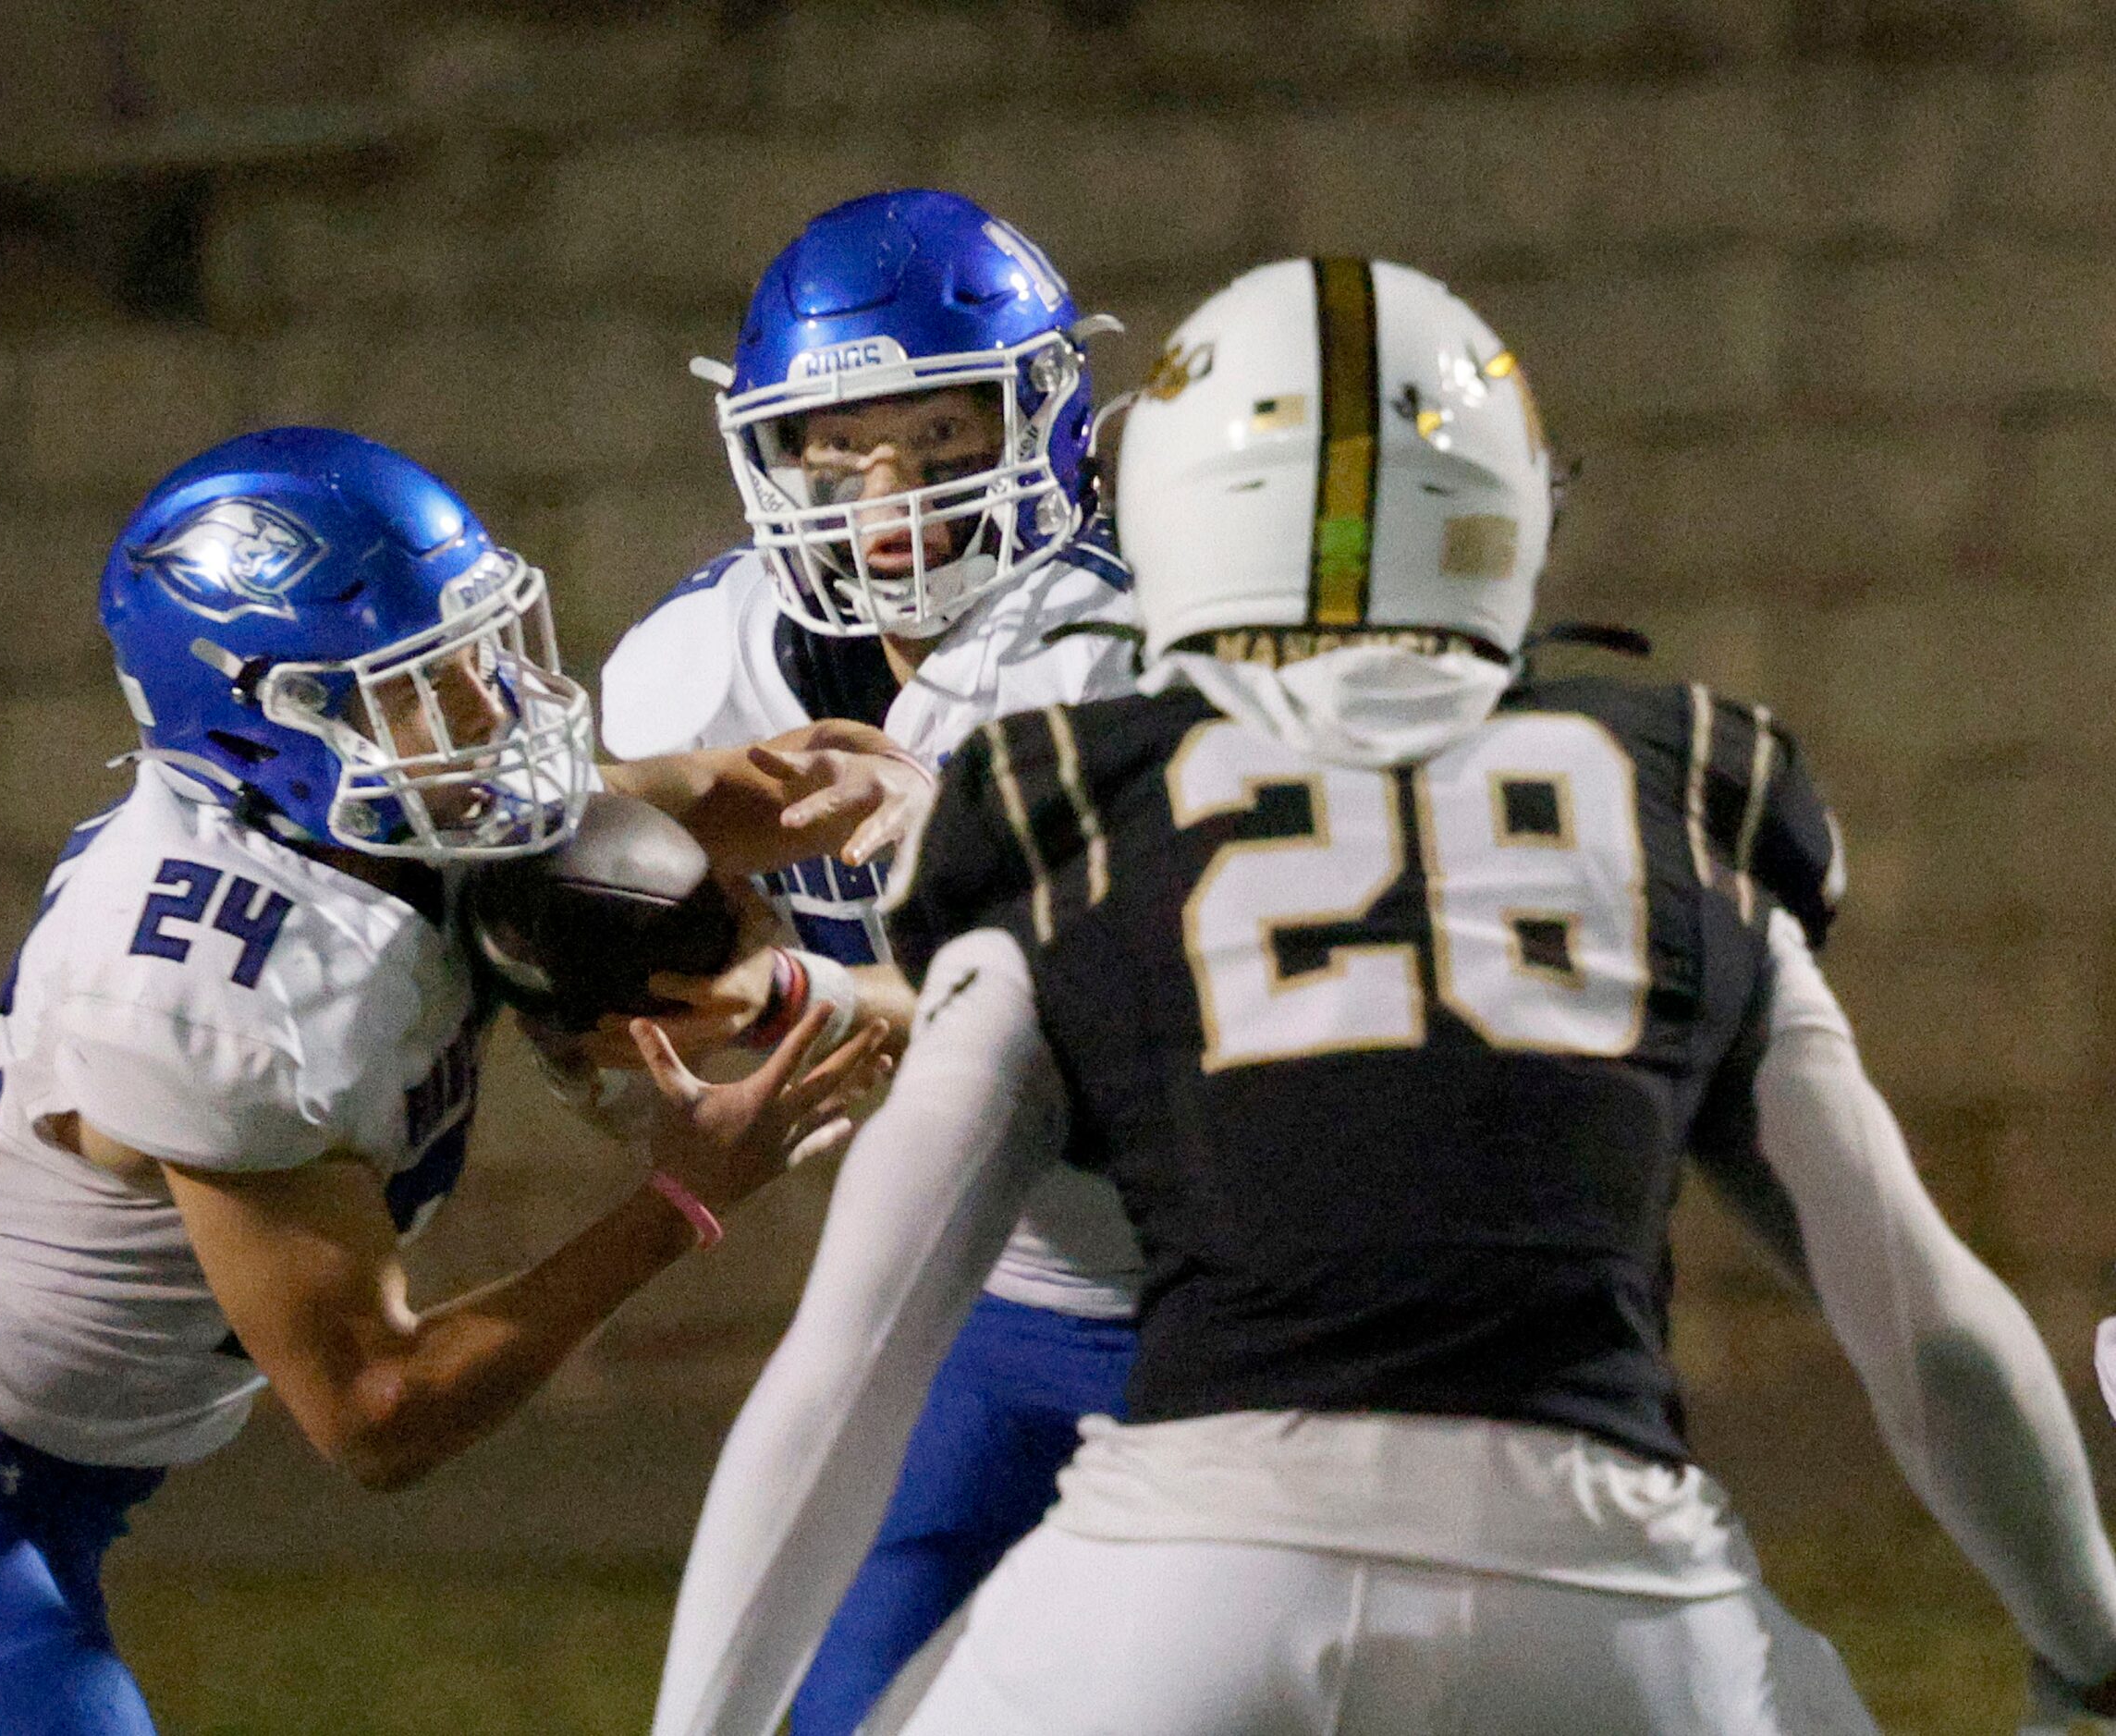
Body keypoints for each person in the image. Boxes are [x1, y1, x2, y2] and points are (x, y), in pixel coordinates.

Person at [648, 261, 2116, 1734]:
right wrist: (2089, 1646)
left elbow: (841, 1374)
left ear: (1163, 511)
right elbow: (1925, 1324)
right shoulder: (1679, 793)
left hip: (1188, 1569)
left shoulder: (1061, 803)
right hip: (1609, 1570)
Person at [0, 426, 899, 1736]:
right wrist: (679, 1201)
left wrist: (825, 799)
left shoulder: (356, 816)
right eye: (424, 687)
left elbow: (620, 812)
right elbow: (380, 1411)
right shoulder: (210, 991)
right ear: (264, 730)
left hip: (47, 1476)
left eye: (480, 653)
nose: (493, 708)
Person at [593, 189, 1147, 1736]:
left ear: (1041, 424)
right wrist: (624, 1059)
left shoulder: (1120, 658)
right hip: (998, 1294)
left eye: (944, 436)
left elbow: (1094, 1019)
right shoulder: (699, 667)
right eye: (838, 449)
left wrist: (940, 844)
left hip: (1243, 1305)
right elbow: (570, 924)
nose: (884, 498)